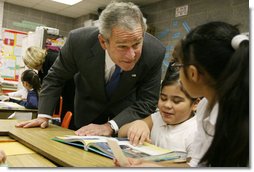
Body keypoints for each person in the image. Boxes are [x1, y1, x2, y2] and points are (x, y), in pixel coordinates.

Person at [16, 2, 166, 136]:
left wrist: (110, 126)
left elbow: (147, 101)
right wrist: (44, 115)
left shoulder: (154, 52)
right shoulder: (79, 42)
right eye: (122, 47)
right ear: (103, 41)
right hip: (85, 114)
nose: (132, 55)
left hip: (124, 121)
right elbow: (56, 77)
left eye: (136, 44)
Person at [115, 21, 249, 167]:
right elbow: (196, 165)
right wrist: (151, 166)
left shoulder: (236, 118)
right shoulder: (206, 106)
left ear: (193, 73)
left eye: (177, 65)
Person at [118, 61, 198, 162]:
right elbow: (121, 133)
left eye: (176, 101)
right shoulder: (157, 118)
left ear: (195, 103)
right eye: (163, 98)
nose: (167, 105)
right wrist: (139, 123)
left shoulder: (196, 132)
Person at [23, 46, 75, 128]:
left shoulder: (53, 59)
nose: (30, 68)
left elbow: (52, 86)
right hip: (66, 95)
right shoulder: (42, 68)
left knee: (71, 122)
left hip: (72, 94)